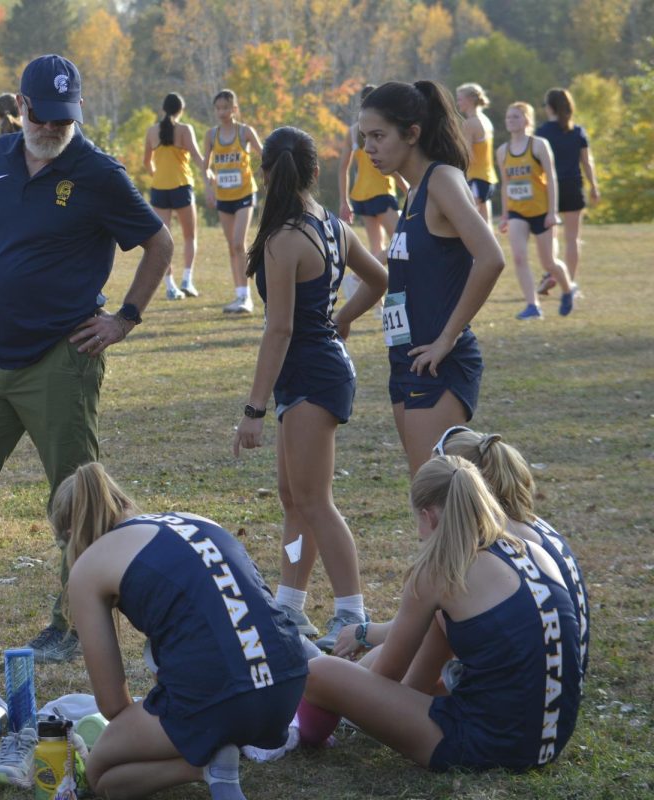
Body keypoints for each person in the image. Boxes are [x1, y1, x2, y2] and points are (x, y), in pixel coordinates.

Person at [0, 54, 172, 662]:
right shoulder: (4, 157)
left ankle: (70, 624)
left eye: (67, 118)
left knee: (76, 499)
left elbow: (159, 243)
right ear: (22, 105)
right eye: (45, 116)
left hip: (63, 358)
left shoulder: (98, 173)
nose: (54, 129)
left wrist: (124, 319)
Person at [297, 455, 581, 772]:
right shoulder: (531, 548)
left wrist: (349, 682)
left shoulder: (441, 569)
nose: (419, 533)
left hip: (489, 746)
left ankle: (296, 729)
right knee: (442, 619)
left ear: (429, 516)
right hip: (548, 740)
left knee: (318, 671)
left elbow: (384, 677)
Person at [56, 462, 310, 800]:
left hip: (221, 698)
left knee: (101, 775)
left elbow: (112, 706)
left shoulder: (89, 566)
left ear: (70, 538)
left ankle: (203, 765)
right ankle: (214, 750)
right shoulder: (197, 519)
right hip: (287, 681)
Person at [233, 126, 388, 651]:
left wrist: (253, 408)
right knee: (293, 498)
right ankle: (289, 606)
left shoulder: (283, 239)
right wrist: (340, 319)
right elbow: (379, 279)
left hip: (312, 375)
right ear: (315, 172)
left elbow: (279, 330)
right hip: (315, 370)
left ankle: (352, 616)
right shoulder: (330, 225)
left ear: (266, 173)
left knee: (315, 501)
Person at [334, 426, 590, 687]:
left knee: (333, 672)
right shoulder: (526, 529)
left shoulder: (494, 542)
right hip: (556, 684)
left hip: (526, 688)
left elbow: (403, 647)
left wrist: (364, 633)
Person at [360, 81, 505, 476]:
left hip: (439, 362)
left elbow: (491, 258)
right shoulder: (411, 193)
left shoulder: (442, 180)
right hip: (406, 358)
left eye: (378, 136)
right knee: (426, 493)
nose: (368, 148)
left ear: (412, 134)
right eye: (364, 137)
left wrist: (446, 338)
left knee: (439, 500)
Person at [497, 101, 576, 320]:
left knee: (548, 262)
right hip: (517, 212)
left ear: (527, 120)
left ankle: (568, 290)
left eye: (516, 117)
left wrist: (553, 212)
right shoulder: (502, 151)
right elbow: (506, 184)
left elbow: (551, 179)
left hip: (542, 211)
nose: (511, 120)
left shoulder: (539, 145)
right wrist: (505, 214)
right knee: (519, 257)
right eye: (508, 117)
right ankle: (533, 305)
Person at [202, 89, 262, 314]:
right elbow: (206, 166)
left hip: (245, 194)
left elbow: (264, 154)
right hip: (223, 197)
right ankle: (239, 295)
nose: (222, 112)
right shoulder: (211, 135)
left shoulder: (245, 132)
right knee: (231, 246)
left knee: (239, 242)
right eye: (218, 108)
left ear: (234, 109)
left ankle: (247, 297)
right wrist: (209, 187)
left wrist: (267, 175)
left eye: (226, 107)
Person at [144, 93, 208, 300]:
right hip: (181, 186)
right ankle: (187, 280)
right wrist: (210, 176)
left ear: (163, 109)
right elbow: (198, 159)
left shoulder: (152, 131)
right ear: (181, 110)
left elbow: (147, 163)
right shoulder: (185, 130)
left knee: (165, 240)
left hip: (159, 189)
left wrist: (157, 174)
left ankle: (170, 286)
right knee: (190, 236)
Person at [536, 88, 600, 286]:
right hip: (573, 186)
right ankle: (570, 282)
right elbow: (587, 162)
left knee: (551, 235)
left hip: (549, 189)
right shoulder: (578, 131)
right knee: (572, 239)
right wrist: (594, 186)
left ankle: (553, 272)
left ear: (550, 107)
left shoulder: (542, 132)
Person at [339, 85, 401, 260]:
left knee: (376, 249)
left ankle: (360, 282)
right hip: (381, 192)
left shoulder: (353, 131)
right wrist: (409, 189)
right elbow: (390, 164)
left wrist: (344, 201)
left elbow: (343, 168)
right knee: (402, 241)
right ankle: (360, 281)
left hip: (361, 196)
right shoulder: (381, 129)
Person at [455, 83, 497, 223]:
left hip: (475, 178)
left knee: (469, 223)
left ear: (470, 100)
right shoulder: (486, 120)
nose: (458, 103)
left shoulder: (470, 123)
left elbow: (466, 156)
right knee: (486, 223)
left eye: (460, 99)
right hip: (487, 178)